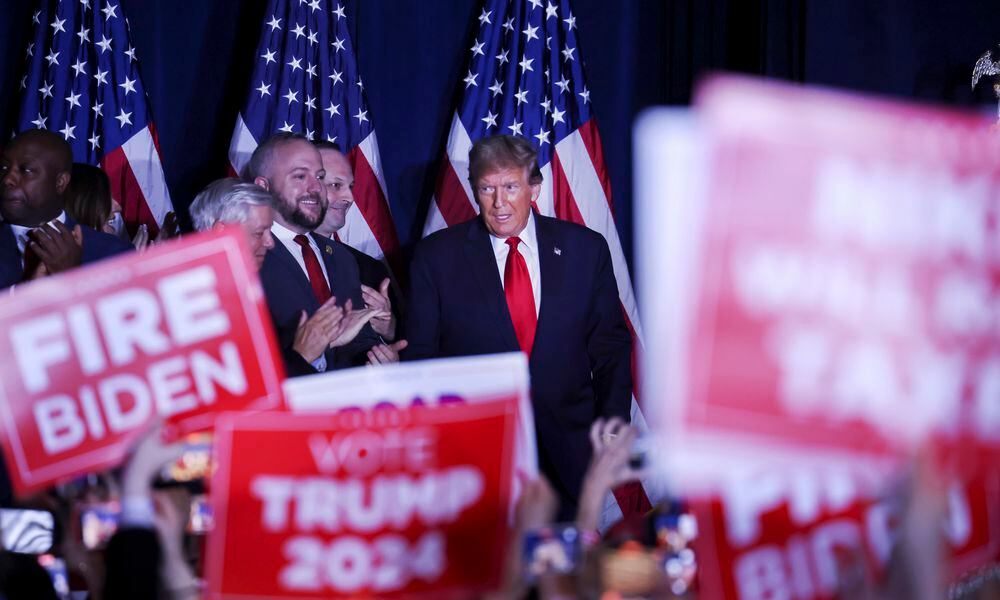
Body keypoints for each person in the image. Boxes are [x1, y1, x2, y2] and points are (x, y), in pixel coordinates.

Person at [404, 134, 632, 518]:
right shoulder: (436, 258)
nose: (499, 201)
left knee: (565, 569)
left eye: (510, 186)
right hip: (477, 456)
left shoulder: (585, 249)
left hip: (571, 452)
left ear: (534, 188)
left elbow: (609, 346)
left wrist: (611, 428)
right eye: (486, 189)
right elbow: (422, 359)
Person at [246, 133, 400, 375]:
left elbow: (357, 342)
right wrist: (306, 356)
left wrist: (378, 357)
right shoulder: (244, 261)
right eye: (299, 176)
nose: (315, 188)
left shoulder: (341, 258)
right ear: (263, 187)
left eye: (319, 177)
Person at [189, 177, 356, 375]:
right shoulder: (191, 307)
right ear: (221, 233)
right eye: (260, 233)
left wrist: (322, 344)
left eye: (270, 231)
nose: (270, 243)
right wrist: (301, 355)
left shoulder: (251, 294)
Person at [0, 129, 132, 290]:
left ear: (60, 182)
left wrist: (72, 282)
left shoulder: (114, 253)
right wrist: (23, 294)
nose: (8, 179)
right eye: (4, 168)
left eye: (26, 170)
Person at [313, 140, 400, 342]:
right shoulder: (260, 261)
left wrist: (388, 329)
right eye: (336, 185)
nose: (350, 197)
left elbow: (401, 345)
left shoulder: (369, 268)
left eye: (350, 186)